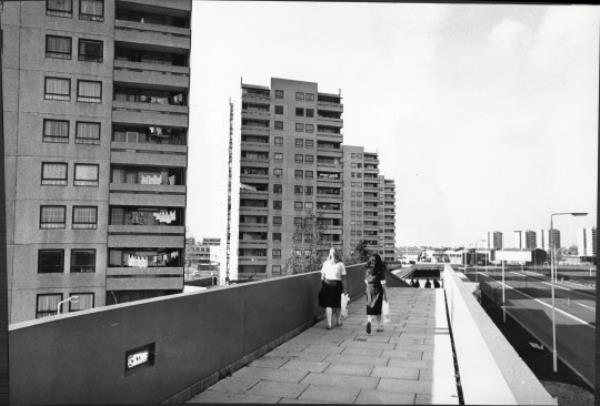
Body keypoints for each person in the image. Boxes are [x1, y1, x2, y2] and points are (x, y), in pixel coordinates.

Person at [318, 247, 347, 329]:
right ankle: (338, 321)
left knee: (328, 304)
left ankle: (329, 324)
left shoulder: (326, 263)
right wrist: (345, 290)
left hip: (327, 284)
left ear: (329, 254)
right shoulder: (341, 264)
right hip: (337, 284)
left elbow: (322, 276)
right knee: (337, 304)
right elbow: (344, 278)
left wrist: (323, 285)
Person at [365, 253, 388, 334]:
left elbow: (366, 281)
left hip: (369, 290)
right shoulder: (380, 270)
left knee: (370, 307)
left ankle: (369, 321)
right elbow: (383, 283)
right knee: (378, 308)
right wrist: (385, 295)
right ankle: (378, 326)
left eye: (373, 260)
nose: (372, 262)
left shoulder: (368, 270)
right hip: (377, 290)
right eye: (372, 260)